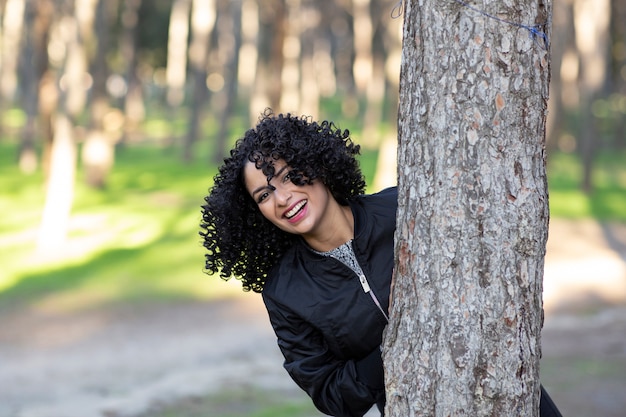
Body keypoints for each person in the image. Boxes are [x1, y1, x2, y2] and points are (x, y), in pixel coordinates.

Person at [200, 110, 562, 417]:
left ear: (315, 164)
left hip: (510, 395)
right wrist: (396, 347)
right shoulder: (284, 292)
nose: (283, 197)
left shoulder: (403, 210)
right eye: (265, 194)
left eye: (287, 175)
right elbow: (330, 394)